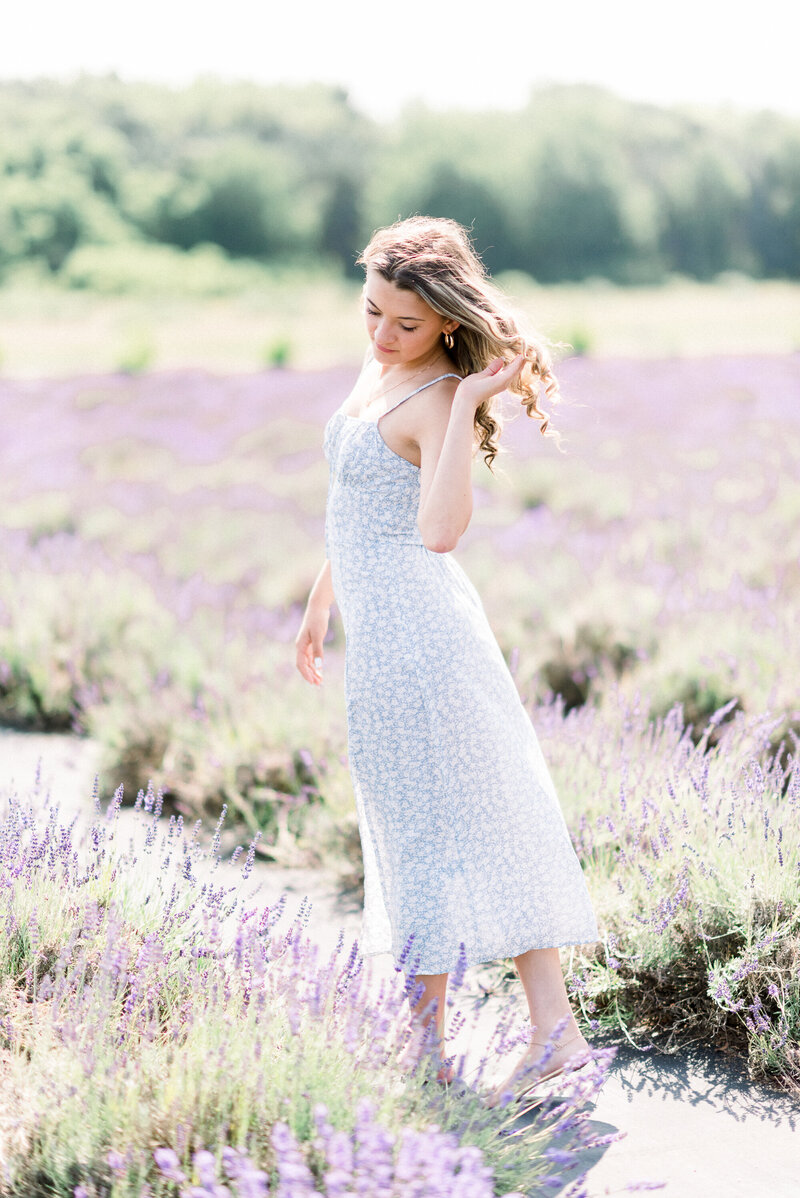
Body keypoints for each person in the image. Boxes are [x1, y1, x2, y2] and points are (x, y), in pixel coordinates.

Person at [295, 216, 598, 1099]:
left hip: (421, 641)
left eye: (407, 324)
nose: (384, 335)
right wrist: (320, 604)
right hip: (379, 634)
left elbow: (436, 533)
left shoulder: (433, 400)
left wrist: (467, 404)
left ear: (448, 326)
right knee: (449, 817)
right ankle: (553, 1034)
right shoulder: (378, 371)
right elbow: (353, 506)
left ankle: (429, 1054)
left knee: (433, 827)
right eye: (373, 311)